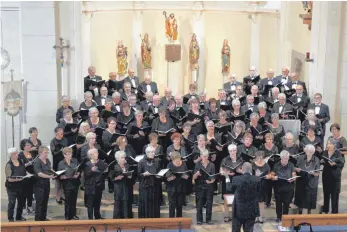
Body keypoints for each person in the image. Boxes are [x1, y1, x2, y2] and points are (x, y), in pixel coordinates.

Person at [229, 162, 261, 232]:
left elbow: (230, 190)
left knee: (235, 230)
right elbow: (259, 193)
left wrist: (226, 178)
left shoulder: (236, 179)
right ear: (251, 170)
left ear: (242, 169)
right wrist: (257, 176)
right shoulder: (257, 179)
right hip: (252, 210)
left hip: (238, 210)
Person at [271, 150, 297, 222]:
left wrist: (292, 179)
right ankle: (278, 217)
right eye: (284, 158)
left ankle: (285, 217)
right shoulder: (276, 165)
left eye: (287, 158)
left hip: (288, 186)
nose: (286, 160)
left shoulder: (291, 165)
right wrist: (273, 177)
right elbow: (272, 175)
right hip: (278, 186)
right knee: (278, 203)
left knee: (286, 203)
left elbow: (294, 175)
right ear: (281, 158)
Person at [294, 144, 320, 214]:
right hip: (301, 180)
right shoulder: (300, 157)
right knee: (300, 199)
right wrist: (297, 169)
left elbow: (317, 173)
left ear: (313, 152)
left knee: (310, 200)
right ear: (305, 151)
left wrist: (313, 173)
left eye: (311, 151)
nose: (309, 153)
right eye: (308, 151)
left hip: (311, 181)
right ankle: (300, 213)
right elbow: (295, 167)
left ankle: (309, 214)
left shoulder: (316, 159)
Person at [321, 138, 345, 214]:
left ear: (334, 145)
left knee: (335, 196)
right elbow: (323, 161)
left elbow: (341, 164)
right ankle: (325, 210)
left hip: (335, 177)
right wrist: (322, 162)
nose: (328, 145)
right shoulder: (325, 152)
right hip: (326, 176)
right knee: (326, 194)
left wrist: (335, 164)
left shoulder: (338, 153)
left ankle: (334, 212)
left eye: (330, 143)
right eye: (328, 143)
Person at [33, 146, 56, 221]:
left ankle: (43, 217)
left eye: (47, 152)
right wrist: (49, 176)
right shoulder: (37, 161)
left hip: (46, 184)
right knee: (40, 202)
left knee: (45, 201)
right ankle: (38, 219)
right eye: (45, 152)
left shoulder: (47, 160)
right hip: (39, 185)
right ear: (40, 153)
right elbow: (39, 173)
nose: (47, 154)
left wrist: (55, 173)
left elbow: (50, 168)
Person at [193, 149, 215, 225]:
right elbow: (193, 177)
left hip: (209, 186)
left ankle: (208, 219)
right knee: (199, 204)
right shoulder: (197, 165)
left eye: (206, 156)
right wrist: (197, 174)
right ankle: (199, 220)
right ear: (201, 156)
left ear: (208, 156)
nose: (205, 158)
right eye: (203, 156)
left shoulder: (212, 165)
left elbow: (213, 177)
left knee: (209, 203)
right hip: (199, 186)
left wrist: (211, 181)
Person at [138, 146, 161, 218]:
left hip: (154, 186)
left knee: (154, 204)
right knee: (145, 204)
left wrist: (159, 176)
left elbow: (159, 172)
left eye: (153, 152)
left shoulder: (157, 161)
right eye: (151, 152)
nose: (153, 153)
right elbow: (138, 174)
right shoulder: (141, 162)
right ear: (147, 153)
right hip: (145, 187)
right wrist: (144, 174)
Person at [84, 148, 108, 219]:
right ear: (91, 155)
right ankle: (90, 218)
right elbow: (86, 175)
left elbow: (105, 173)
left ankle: (98, 216)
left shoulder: (101, 162)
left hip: (99, 185)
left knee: (97, 203)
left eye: (97, 153)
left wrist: (106, 170)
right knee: (90, 204)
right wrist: (91, 170)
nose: (97, 154)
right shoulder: (87, 164)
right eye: (95, 153)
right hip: (90, 186)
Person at [58, 147, 80, 220]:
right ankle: (67, 215)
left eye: (71, 154)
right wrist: (62, 176)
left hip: (75, 182)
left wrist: (77, 174)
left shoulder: (75, 161)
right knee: (67, 200)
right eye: (68, 154)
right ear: (64, 155)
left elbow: (78, 170)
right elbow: (59, 175)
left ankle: (73, 214)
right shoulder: (61, 163)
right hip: (66, 183)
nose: (70, 156)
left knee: (74, 200)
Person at [109, 151, 133, 219]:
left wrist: (130, 177)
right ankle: (117, 219)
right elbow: (111, 177)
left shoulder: (127, 165)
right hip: (118, 186)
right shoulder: (114, 166)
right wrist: (116, 178)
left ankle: (125, 218)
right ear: (118, 158)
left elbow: (130, 176)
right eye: (122, 157)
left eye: (124, 157)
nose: (123, 159)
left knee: (125, 202)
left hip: (125, 186)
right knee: (118, 202)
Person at [5, 147, 27, 222]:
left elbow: (24, 171)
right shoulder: (9, 165)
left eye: (16, 153)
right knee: (12, 202)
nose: (17, 154)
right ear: (10, 155)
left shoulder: (21, 161)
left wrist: (27, 175)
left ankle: (18, 216)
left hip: (21, 185)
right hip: (12, 187)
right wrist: (17, 179)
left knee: (21, 202)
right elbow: (9, 179)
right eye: (14, 154)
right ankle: (10, 218)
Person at [166, 152, 189, 218]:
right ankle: (172, 222)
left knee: (179, 205)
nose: (178, 162)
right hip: (172, 188)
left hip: (181, 187)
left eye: (179, 160)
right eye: (176, 161)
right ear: (172, 160)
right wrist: (170, 178)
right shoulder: (169, 165)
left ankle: (179, 221)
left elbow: (187, 173)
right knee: (172, 206)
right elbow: (167, 177)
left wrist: (186, 176)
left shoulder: (184, 164)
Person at [50, 127, 68, 204]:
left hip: (64, 162)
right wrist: (60, 150)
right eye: (60, 131)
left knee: (64, 180)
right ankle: (58, 197)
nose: (62, 132)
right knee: (58, 181)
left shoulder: (65, 139)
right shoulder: (53, 141)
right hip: (57, 162)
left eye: (62, 131)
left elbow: (67, 149)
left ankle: (63, 196)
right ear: (56, 132)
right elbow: (53, 153)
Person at [252, 151, 271, 223]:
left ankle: (261, 216)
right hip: (254, 184)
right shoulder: (253, 165)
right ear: (256, 158)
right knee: (255, 201)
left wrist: (268, 176)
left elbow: (270, 174)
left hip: (263, 184)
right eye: (258, 158)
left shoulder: (266, 165)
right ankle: (255, 216)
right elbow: (250, 174)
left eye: (261, 158)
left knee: (261, 202)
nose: (259, 159)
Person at [18, 139, 36, 214]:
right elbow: (18, 167)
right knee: (23, 193)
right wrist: (26, 165)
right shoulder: (20, 155)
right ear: (23, 146)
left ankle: (29, 206)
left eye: (30, 145)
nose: (29, 146)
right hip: (24, 177)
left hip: (31, 176)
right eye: (27, 145)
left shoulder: (31, 154)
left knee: (30, 192)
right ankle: (23, 207)